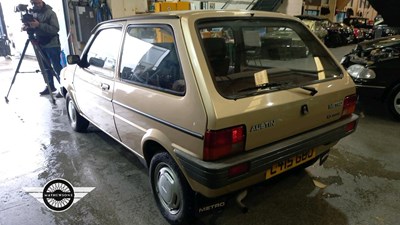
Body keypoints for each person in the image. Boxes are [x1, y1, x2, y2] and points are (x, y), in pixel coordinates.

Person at [22, 0, 63, 96]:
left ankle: (63, 87)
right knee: (45, 67)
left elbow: (55, 29)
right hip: (40, 42)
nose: (37, 5)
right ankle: (49, 86)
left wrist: (39, 25)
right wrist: (27, 26)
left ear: (42, 1)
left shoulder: (50, 13)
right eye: (34, 3)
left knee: (57, 66)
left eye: (38, 3)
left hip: (52, 43)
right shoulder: (33, 13)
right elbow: (33, 27)